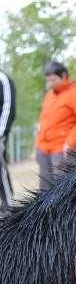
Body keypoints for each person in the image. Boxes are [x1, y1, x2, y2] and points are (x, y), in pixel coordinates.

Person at [35, 61, 76, 189]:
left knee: (62, 187)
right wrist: (38, 144)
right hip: (44, 147)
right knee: (44, 189)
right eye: (49, 81)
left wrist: (70, 142)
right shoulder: (50, 94)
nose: (51, 84)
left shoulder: (75, 93)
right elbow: (44, 118)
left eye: (53, 80)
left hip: (62, 149)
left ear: (63, 75)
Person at [0, 70, 16, 210]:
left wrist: (1, 133)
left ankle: (8, 206)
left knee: (1, 170)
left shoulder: (3, 79)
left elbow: (8, 108)